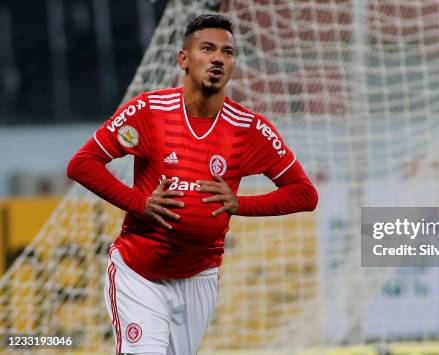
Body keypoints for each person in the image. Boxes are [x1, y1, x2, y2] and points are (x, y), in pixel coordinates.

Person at [67, 14, 318, 355]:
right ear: (184, 59)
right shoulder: (148, 111)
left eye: (228, 53)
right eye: (208, 49)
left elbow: (304, 194)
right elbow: (82, 164)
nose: (218, 58)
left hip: (200, 277)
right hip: (139, 274)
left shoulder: (250, 129)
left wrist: (239, 204)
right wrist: (140, 203)